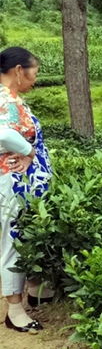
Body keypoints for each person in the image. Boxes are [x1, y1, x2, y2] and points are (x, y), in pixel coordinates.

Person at [0, 47, 52, 332]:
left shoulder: (12, 98)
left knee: (26, 235)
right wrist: (29, 150)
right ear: (19, 70)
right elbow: (4, 134)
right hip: (11, 182)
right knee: (14, 241)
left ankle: (35, 289)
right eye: (34, 72)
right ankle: (15, 309)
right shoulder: (4, 99)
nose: (35, 78)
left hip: (20, 183)